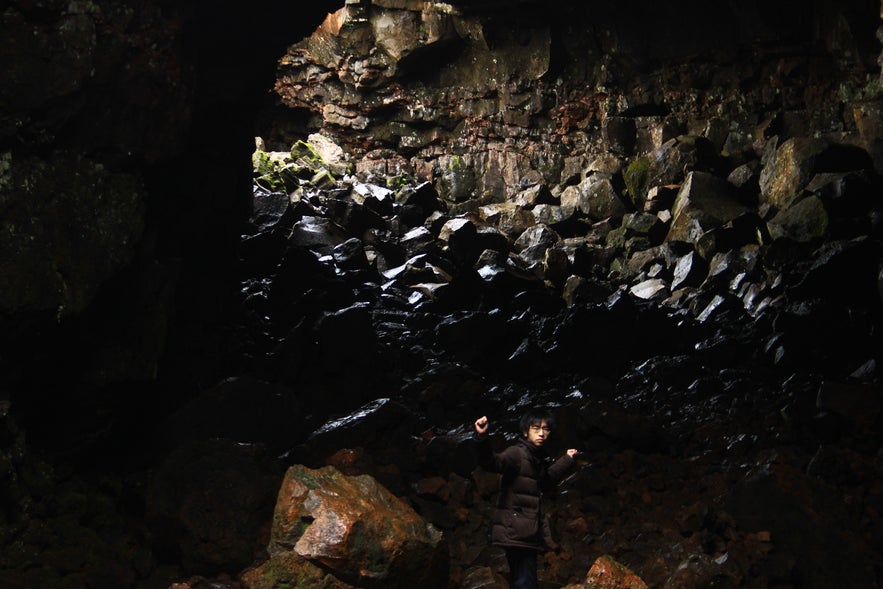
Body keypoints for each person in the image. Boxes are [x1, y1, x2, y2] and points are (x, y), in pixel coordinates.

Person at [473, 411, 579, 589]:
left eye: (545, 429)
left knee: (523, 582)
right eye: (536, 428)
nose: (541, 433)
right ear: (525, 432)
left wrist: (567, 460)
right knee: (525, 583)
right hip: (516, 531)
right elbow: (491, 462)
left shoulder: (536, 458)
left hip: (525, 532)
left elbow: (546, 482)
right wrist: (482, 436)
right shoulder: (517, 454)